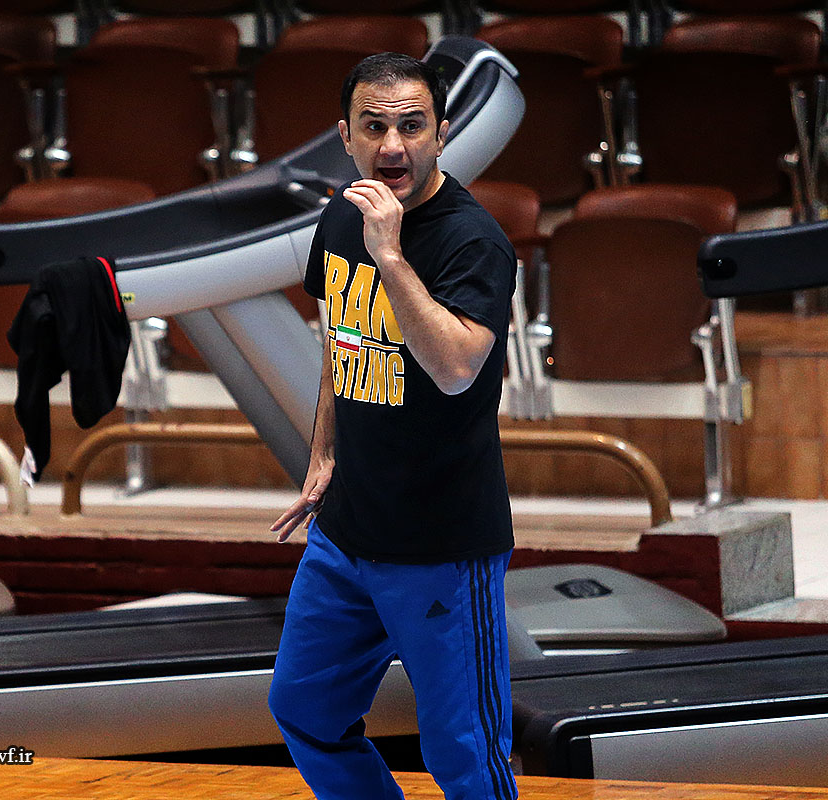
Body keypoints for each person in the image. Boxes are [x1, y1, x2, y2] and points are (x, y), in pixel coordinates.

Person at [267, 52, 518, 800]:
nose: (393, 145)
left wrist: (391, 255)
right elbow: (340, 341)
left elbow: (456, 367)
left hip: (441, 544)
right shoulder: (343, 215)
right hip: (346, 534)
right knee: (305, 711)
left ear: (442, 133)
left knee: (465, 758)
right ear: (345, 136)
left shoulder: (472, 240)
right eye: (374, 127)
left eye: (411, 126)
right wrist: (322, 451)